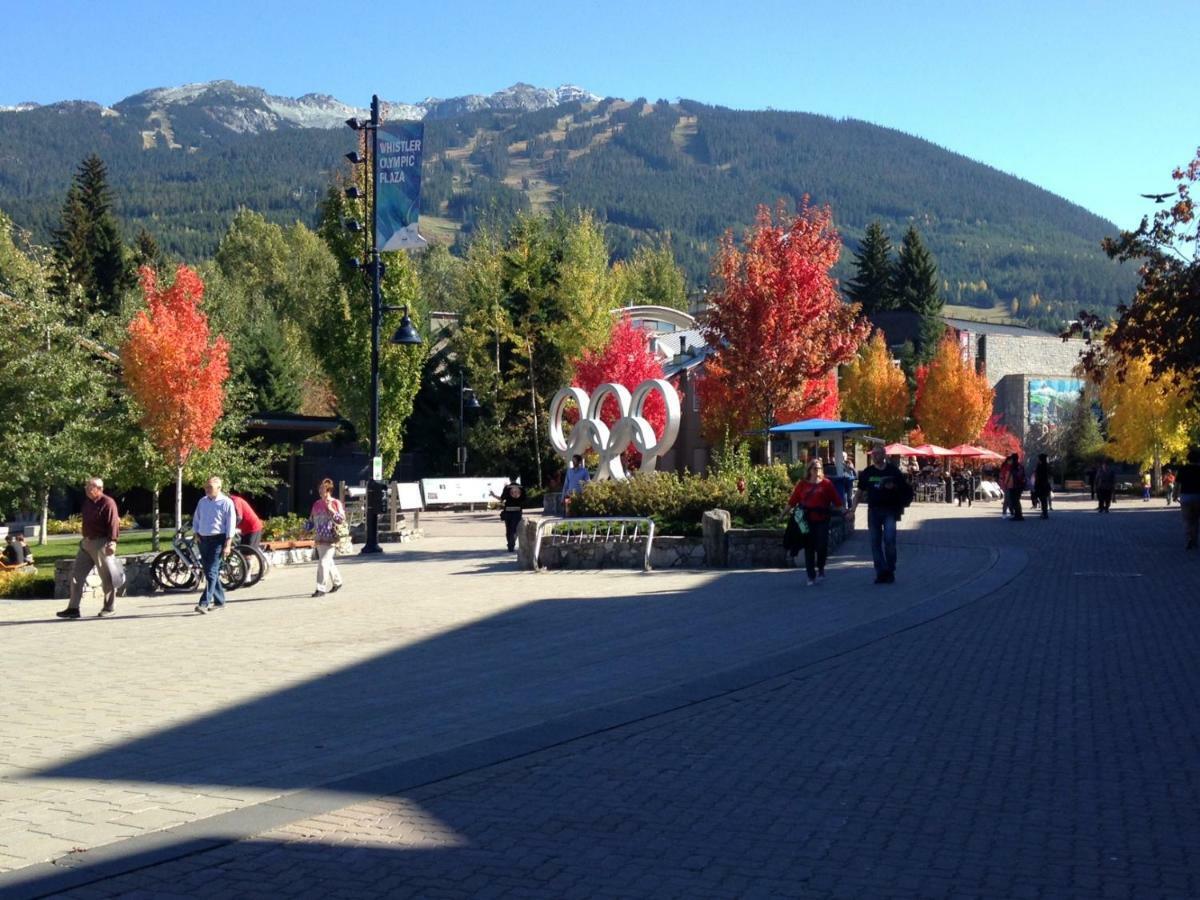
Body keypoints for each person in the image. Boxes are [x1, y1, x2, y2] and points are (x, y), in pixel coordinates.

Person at [56, 477, 121, 619]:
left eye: (90, 487)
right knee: (76, 576)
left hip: (101, 543)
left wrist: (113, 541)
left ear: (99, 489)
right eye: (86, 486)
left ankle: (109, 608)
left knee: (107, 578)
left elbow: (113, 524)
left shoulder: (108, 503)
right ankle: (73, 608)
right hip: (86, 543)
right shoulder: (87, 503)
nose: (86, 489)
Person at [856, 446, 910, 584]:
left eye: (878, 454)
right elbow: (859, 492)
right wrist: (852, 509)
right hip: (873, 511)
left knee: (889, 541)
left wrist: (894, 487)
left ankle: (890, 569)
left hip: (890, 510)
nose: (875, 456)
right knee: (875, 543)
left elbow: (905, 488)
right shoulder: (868, 472)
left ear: (884, 455)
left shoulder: (893, 471)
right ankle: (881, 572)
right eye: (873, 454)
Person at [788, 458, 844, 586]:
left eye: (819, 468)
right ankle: (810, 575)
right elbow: (792, 501)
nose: (817, 470)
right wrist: (782, 515)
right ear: (809, 470)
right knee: (809, 547)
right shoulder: (802, 484)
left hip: (822, 519)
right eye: (815, 468)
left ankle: (821, 567)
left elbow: (837, 501)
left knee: (822, 545)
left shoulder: (827, 484)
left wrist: (846, 512)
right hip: (806, 520)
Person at [192, 476, 237, 614]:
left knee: (211, 572)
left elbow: (230, 525)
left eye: (210, 487)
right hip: (203, 539)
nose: (207, 490)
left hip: (218, 540)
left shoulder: (226, 502)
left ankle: (204, 603)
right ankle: (220, 600)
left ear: (219, 488)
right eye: (206, 487)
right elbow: (197, 518)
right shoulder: (202, 501)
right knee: (210, 572)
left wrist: (228, 544)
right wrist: (196, 533)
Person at [309, 478, 346, 596]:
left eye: (323, 489)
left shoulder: (335, 503)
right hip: (320, 538)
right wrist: (305, 529)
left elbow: (341, 520)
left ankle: (321, 588)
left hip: (331, 537)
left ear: (328, 490)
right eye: (319, 489)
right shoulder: (316, 504)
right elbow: (311, 520)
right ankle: (337, 582)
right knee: (328, 562)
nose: (320, 491)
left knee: (323, 562)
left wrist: (331, 510)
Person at [492, 477, 525, 552]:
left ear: (510, 479)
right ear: (516, 478)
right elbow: (524, 499)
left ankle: (510, 545)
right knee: (515, 528)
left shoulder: (507, 488)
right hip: (517, 510)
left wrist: (493, 495)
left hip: (508, 511)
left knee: (508, 528)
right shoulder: (521, 488)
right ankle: (512, 543)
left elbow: (501, 499)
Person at [1176, 448, 1200, 550]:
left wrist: (1174, 495)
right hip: (1198, 496)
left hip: (1185, 496)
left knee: (1186, 520)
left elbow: (1177, 484)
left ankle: (1188, 539)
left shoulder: (1183, 469)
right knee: (1195, 520)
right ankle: (1194, 540)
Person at [1005, 453, 1026, 521]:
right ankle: (1018, 514)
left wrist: (1006, 483)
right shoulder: (1020, 466)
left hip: (1015, 486)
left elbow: (1015, 475)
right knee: (1016, 500)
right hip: (1018, 486)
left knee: (1015, 501)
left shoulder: (1015, 466)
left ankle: (1018, 515)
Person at [1033, 453, 1052, 519]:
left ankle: (1044, 513)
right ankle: (1044, 512)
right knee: (1044, 500)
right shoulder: (1047, 466)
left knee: (1042, 499)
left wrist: (1036, 484)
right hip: (1045, 485)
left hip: (1041, 485)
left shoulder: (1040, 466)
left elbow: (1038, 476)